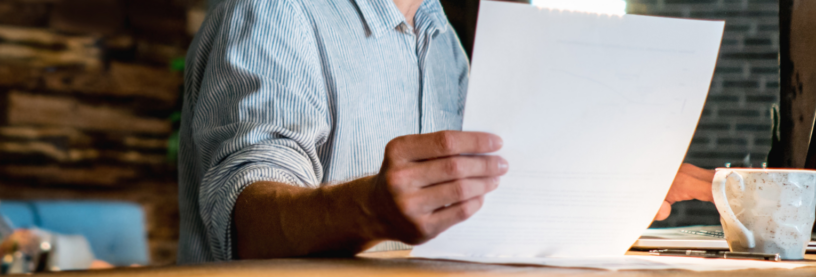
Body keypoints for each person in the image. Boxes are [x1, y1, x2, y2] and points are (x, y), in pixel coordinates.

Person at [178, 0, 714, 264]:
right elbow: (245, 229)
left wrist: (603, 187)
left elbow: (468, 194)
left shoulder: (440, 38)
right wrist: (369, 208)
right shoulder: (276, 11)